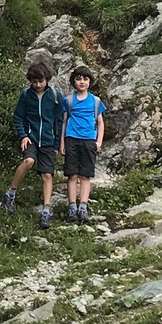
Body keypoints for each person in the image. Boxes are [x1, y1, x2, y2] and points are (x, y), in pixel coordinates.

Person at [2, 62, 63, 229]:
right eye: (34, 81)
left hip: (49, 141)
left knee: (47, 175)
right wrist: (23, 136)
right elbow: (18, 117)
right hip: (31, 138)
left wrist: (57, 144)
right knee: (28, 161)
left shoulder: (56, 96)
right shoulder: (26, 95)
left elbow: (59, 121)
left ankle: (46, 211)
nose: (37, 85)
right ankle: (10, 194)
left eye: (40, 81)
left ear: (47, 79)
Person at [60, 65, 105, 223]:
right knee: (72, 174)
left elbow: (100, 123)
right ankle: (72, 206)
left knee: (85, 175)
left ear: (90, 82)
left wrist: (98, 142)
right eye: (78, 79)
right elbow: (64, 123)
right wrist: (62, 143)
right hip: (71, 138)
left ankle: (83, 206)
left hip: (88, 140)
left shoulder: (96, 101)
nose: (82, 82)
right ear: (73, 81)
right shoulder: (68, 100)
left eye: (85, 79)